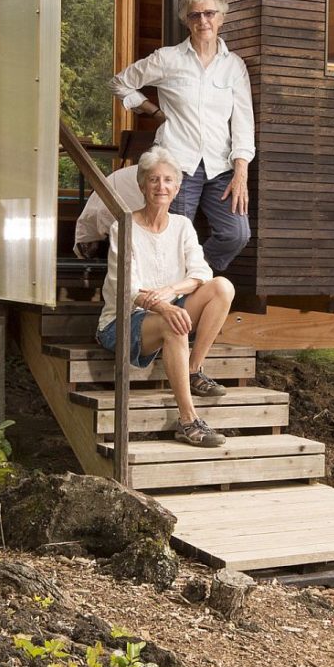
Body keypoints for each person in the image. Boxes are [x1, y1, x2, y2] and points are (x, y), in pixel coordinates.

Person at [110, 0, 254, 275]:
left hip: (221, 168)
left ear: (221, 18)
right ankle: (171, 302)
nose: (203, 21)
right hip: (177, 165)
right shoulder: (168, 59)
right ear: (186, 21)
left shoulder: (234, 66)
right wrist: (152, 110)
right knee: (171, 238)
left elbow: (243, 120)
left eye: (210, 13)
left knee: (237, 234)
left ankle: (194, 279)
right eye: (195, 15)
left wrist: (241, 170)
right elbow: (120, 83)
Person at [96, 145, 236, 448]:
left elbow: (202, 272)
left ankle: (193, 368)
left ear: (177, 187)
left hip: (169, 309)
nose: (162, 186)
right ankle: (188, 421)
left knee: (223, 287)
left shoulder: (183, 226)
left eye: (169, 180)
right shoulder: (124, 227)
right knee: (172, 323)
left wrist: (172, 292)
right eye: (154, 179)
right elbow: (128, 288)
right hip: (123, 321)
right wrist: (162, 306)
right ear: (142, 184)